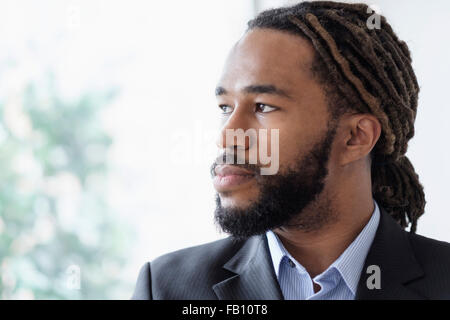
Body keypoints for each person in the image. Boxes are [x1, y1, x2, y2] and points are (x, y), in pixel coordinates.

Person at [132, 1, 450, 300]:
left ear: (356, 137)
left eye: (264, 107)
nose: (228, 136)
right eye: (225, 106)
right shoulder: (165, 287)